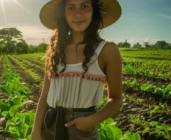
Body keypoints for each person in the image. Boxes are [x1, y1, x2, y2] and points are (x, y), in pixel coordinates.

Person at [31, 0, 123, 139]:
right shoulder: (56, 51)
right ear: (64, 14)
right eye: (71, 8)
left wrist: (91, 121)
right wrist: (36, 131)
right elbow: (44, 96)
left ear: (94, 11)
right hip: (49, 126)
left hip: (82, 129)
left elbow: (116, 99)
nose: (78, 13)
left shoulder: (107, 50)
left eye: (85, 6)